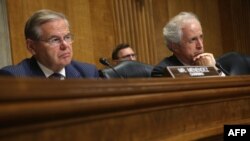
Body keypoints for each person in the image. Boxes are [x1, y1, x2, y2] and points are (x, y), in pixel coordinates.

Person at [0, 9, 99, 79]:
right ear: (32, 47)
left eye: (67, 37)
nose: (65, 45)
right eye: (55, 40)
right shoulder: (14, 77)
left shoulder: (88, 73)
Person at [151, 12, 222, 77]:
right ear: (175, 46)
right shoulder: (163, 71)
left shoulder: (209, 62)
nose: (200, 45)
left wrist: (214, 69)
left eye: (201, 37)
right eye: (193, 40)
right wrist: (209, 73)